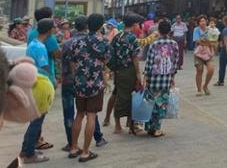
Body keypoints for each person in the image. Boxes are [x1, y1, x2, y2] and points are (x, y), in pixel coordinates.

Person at [61, 17, 107, 153]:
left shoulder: (76, 42)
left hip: (78, 83)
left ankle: (73, 147)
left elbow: (72, 62)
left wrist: (77, 77)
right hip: (95, 84)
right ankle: (86, 152)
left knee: (79, 115)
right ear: (100, 27)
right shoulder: (103, 42)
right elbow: (106, 62)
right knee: (91, 116)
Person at [21, 18, 56, 163]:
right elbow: (45, 67)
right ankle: (29, 154)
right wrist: (54, 80)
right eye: (53, 28)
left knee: (34, 120)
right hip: (41, 84)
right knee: (36, 121)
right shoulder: (40, 47)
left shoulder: (33, 44)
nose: (55, 30)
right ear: (49, 31)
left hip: (33, 81)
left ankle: (26, 149)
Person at [143, 19, 179, 138]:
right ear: (170, 31)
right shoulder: (174, 44)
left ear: (158, 30)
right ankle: (157, 128)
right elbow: (175, 62)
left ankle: (149, 127)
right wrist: (173, 76)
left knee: (151, 102)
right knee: (161, 103)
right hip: (166, 79)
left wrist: (145, 76)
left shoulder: (154, 44)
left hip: (153, 78)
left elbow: (149, 61)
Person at [110, 14, 143, 135]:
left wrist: (114, 69)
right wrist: (138, 73)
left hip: (119, 70)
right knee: (131, 97)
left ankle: (119, 124)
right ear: (134, 24)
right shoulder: (132, 38)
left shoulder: (117, 36)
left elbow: (111, 54)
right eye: (138, 24)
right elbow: (135, 57)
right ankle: (130, 125)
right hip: (129, 70)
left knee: (121, 96)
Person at [27, 7, 60, 89]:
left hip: (32, 74)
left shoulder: (32, 35)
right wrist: (52, 78)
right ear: (49, 30)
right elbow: (45, 65)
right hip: (43, 78)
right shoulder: (42, 45)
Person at [193, 16, 217, 95]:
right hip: (198, 53)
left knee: (211, 69)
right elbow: (197, 41)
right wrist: (208, 43)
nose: (202, 22)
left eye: (204, 21)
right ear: (198, 23)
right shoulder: (196, 30)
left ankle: (205, 85)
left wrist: (209, 43)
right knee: (199, 70)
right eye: (201, 21)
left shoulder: (210, 29)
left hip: (208, 53)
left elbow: (214, 41)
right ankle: (199, 89)